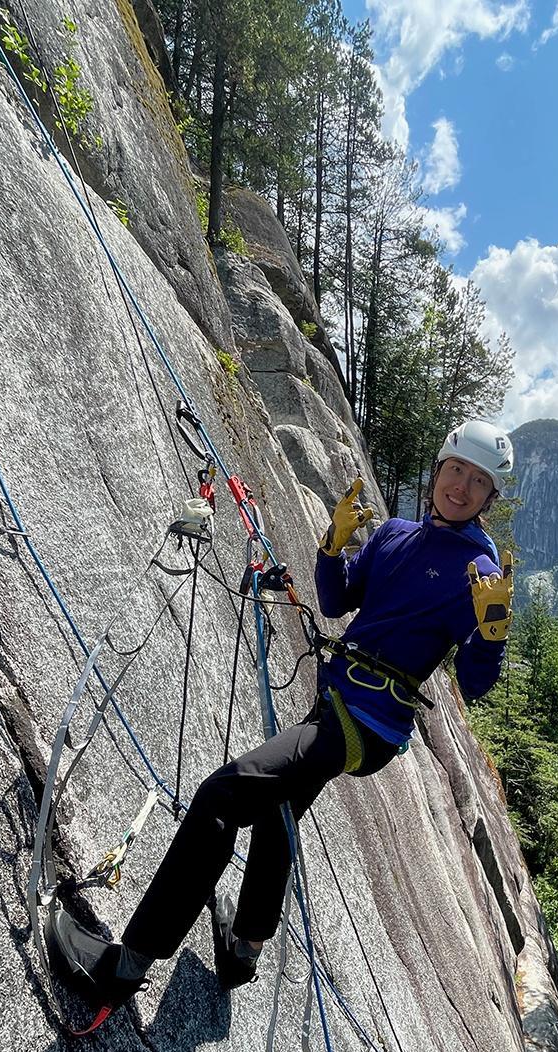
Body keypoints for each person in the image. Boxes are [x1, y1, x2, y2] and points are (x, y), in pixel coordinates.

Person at [45, 419, 516, 1021]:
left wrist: (492, 633)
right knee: (278, 809)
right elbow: (337, 599)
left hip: (363, 727)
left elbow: (475, 682)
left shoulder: (479, 567)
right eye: (456, 470)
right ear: (439, 470)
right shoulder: (397, 533)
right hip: (337, 701)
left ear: (488, 497)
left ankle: (127, 963)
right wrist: (332, 545)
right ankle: (243, 950)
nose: (462, 487)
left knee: (222, 794)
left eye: (479, 482)